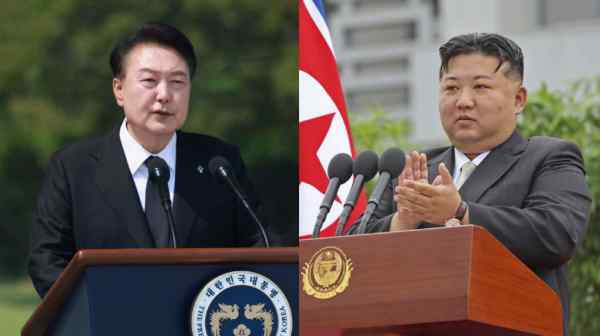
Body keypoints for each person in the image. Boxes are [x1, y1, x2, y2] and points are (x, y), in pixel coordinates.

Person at [349, 33, 590, 335]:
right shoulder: (412, 169)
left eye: (480, 87)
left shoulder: (548, 158)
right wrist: (403, 221)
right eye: (451, 88)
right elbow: (350, 254)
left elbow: (556, 233)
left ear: (518, 99)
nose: (463, 101)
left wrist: (461, 211)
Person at [28, 23, 267, 298]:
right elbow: (47, 261)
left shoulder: (220, 163)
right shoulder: (73, 167)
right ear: (119, 89)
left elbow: (259, 246)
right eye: (149, 81)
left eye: (177, 82)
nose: (164, 95)